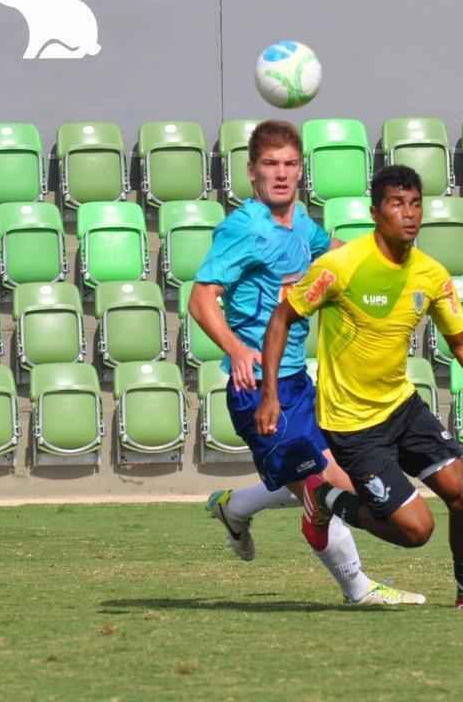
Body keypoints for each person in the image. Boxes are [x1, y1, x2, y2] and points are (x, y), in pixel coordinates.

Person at [255, 165, 463, 611]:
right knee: (416, 531)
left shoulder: (431, 275)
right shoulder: (340, 267)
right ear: (375, 213)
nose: (409, 213)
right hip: (352, 424)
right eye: (397, 204)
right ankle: (324, 497)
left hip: (402, 407)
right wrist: (270, 394)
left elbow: (461, 342)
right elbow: (281, 318)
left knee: (462, 495)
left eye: (415, 203)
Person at [190, 120, 423, 606]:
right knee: (331, 484)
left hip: (298, 380)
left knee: (319, 477)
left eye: (290, 164)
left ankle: (236, 507)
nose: (281, 173)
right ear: (251, 172)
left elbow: (334, 253)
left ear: (301, 171)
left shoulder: (300, 223)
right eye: (270, 164)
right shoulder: (243, 228)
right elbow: (201, 298)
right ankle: (358, 590)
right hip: (259, 388)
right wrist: (236, 348)